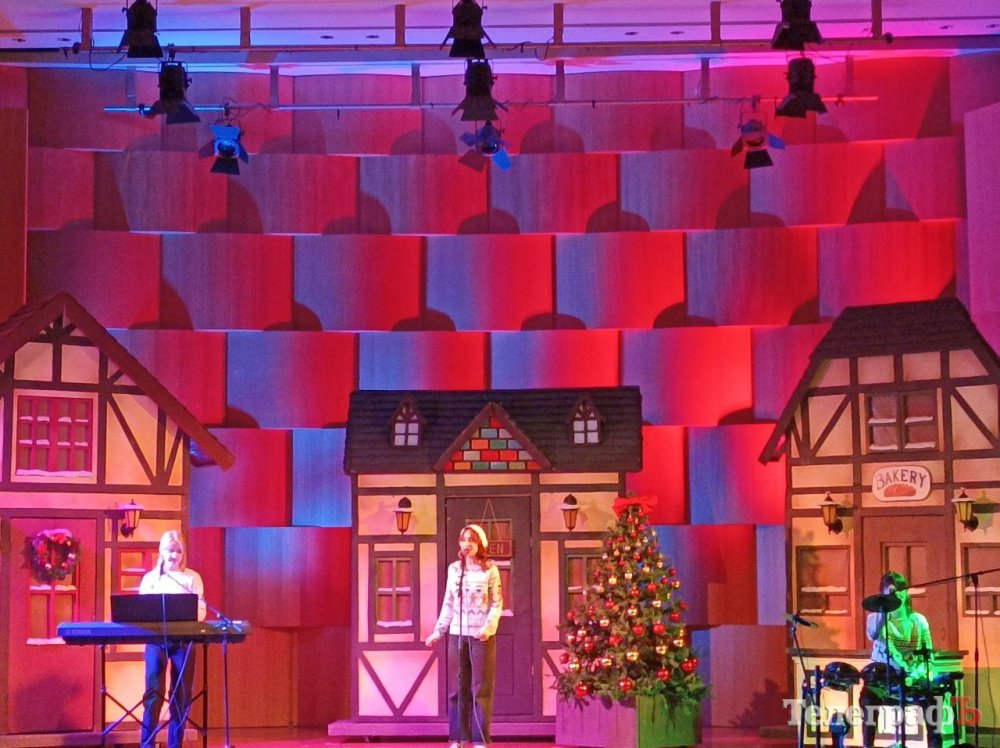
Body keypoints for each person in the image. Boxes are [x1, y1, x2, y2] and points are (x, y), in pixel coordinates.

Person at [425, 524, 503, 748]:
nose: (466, 544)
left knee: (480, 688)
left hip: (481, 637)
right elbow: (448, 602)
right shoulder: (454, 570)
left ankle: (480, 740)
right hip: (457, 635)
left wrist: (487, 628)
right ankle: (459, 738)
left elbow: (497, 603)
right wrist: (439, 630)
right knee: (457, 688)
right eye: (463, 539)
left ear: (480, 544)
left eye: (471, 540)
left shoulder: (490, 569)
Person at [139, 530, 205, 748]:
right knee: (153, 695)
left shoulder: (192, 578)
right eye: (170, 550)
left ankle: (174, 745)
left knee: (181, 696)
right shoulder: (151, 579)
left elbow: (201, 610)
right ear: (161, 551)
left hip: (184, 642)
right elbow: (141, 611)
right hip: (156, 641)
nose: (174, 555)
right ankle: (147, 744)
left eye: (178, 551)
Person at [861, 571, 941, 748]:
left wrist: (918, 673)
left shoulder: (918, 620)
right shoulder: (875, 619)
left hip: (914, 677)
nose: (897, 594)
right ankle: (868, 745)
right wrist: (884, 609)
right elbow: (873, 634)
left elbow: (929, 653)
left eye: (900, 590)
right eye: (891, 591)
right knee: (868, 697)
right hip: (886, 678)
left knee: (934, 699)